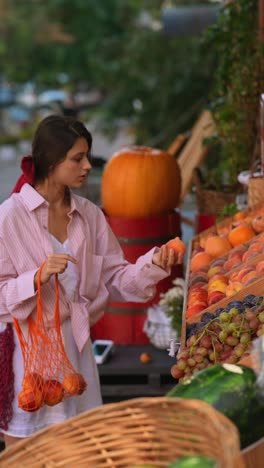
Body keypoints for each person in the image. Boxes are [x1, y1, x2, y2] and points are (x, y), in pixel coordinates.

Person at [0, 115, 182, 448]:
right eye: (77, 158)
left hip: (77, 353)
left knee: (80, 448)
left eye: (87, 156)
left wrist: (153, 264)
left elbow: (118, 278)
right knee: (24, 453)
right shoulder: (9, 218)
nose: (87, 166)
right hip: (27, 358)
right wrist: (36, 277)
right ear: (51, 161)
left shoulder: (90, 215)